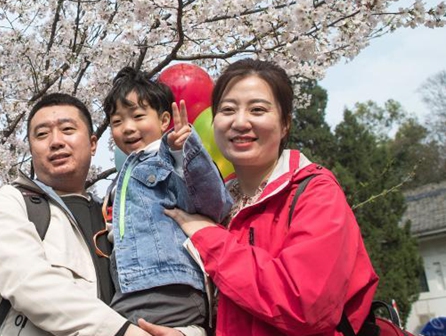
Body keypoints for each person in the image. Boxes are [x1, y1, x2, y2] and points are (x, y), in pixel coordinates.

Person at [139, 59, 379, 336]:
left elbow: (304, 305)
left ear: (285, 123)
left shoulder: (315, 193)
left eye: (258, 110)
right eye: (227, 110)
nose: (240, 122)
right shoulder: (213, 204)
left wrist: (209, 237)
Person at [0, 93, 151, 336]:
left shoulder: (118, 214)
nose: (56, 141)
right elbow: (27, 282)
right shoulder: (9, 203)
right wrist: (122, 332)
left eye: (67, 129)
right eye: (42, 134)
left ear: (93, 143)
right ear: (32, 149)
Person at [101, 68, 232, 336]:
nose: (128, 127)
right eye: (117, 121)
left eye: (138, 116)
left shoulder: (168, 159)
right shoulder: (121, 177)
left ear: (164, 121)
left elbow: (214, 202)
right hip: (132, 288)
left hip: (167, 285)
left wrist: (184, 152)